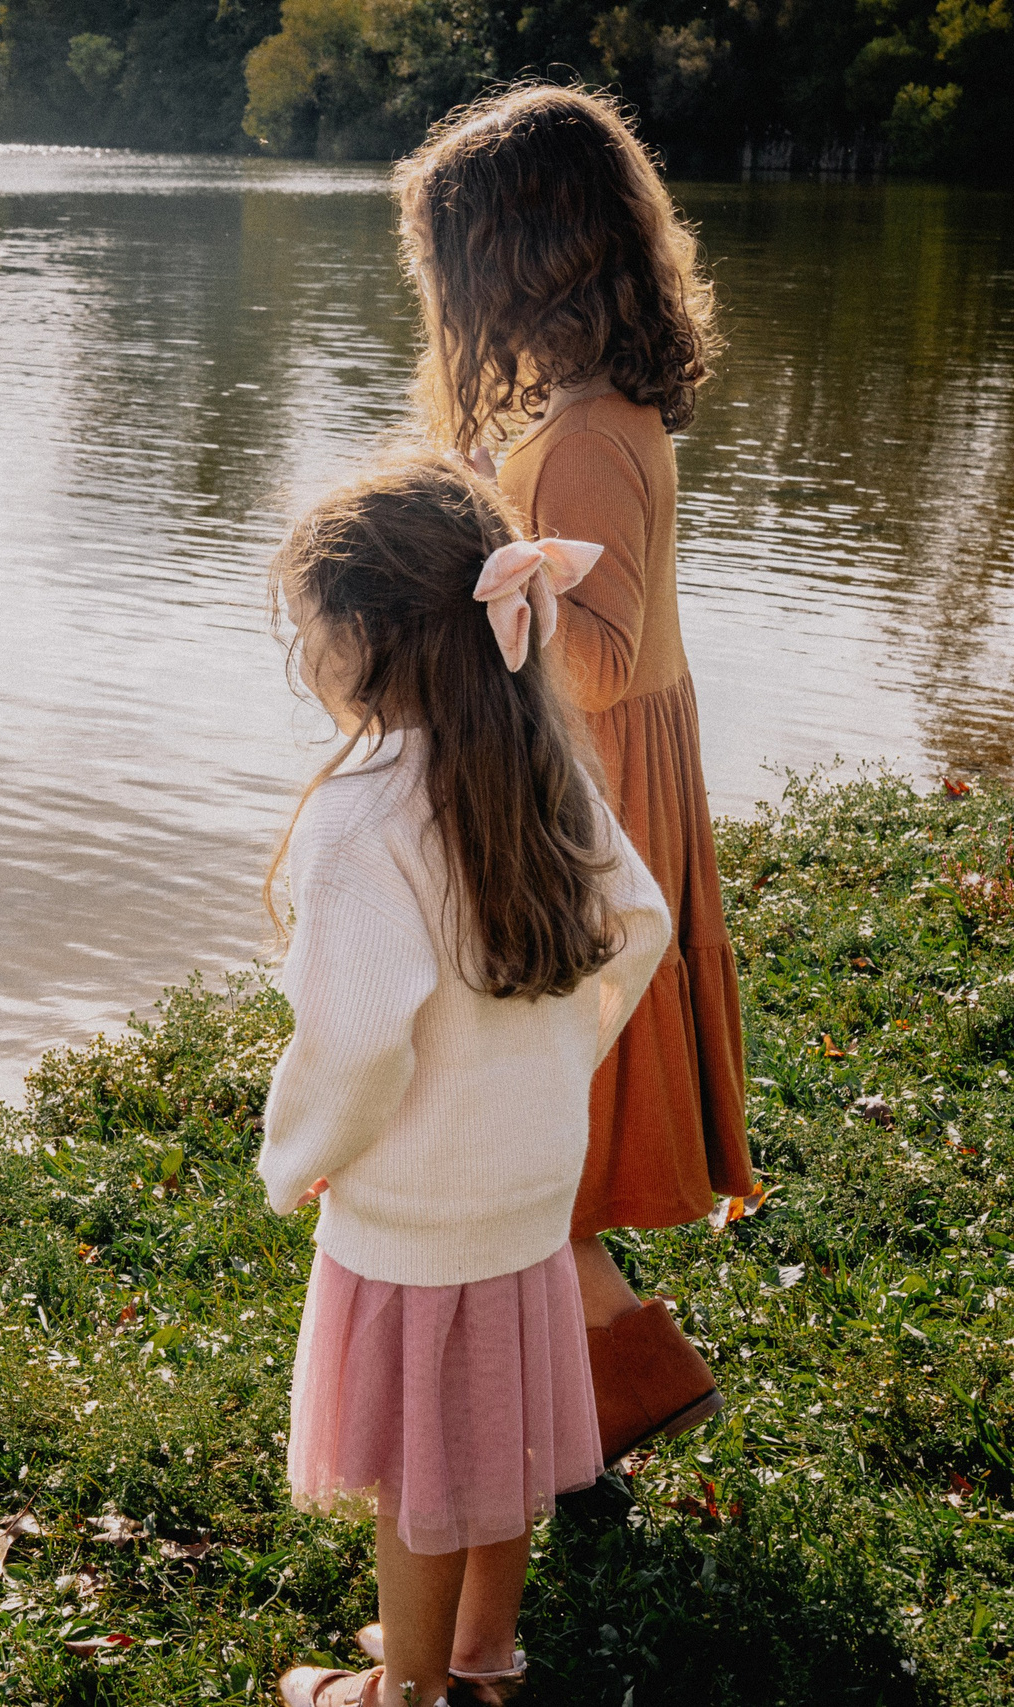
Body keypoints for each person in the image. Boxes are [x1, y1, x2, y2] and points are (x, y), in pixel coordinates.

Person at [258, 453, 671, 1707]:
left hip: (414, 1216)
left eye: (307, 631)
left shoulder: (361, 822)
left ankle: (406, 1695)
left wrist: (297, 1159)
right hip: (526, 1188)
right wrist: (558, 1065)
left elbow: (354, 1045)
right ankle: (485, 1654)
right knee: (505, 1439)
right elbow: (639, 925)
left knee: (421, 1478)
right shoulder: (541, 766)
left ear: (367, 640)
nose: (304, 655)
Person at [394, 83, 751, 1465]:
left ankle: (632, 1378)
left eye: (448, 269)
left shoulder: (590, 442)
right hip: (609, 793)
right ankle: (590, 1397)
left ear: (514, 267)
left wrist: (489, 557)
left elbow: (589, 657)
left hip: (593, 806)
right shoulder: (598, 419)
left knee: (535, 1126)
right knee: (541, 1124)